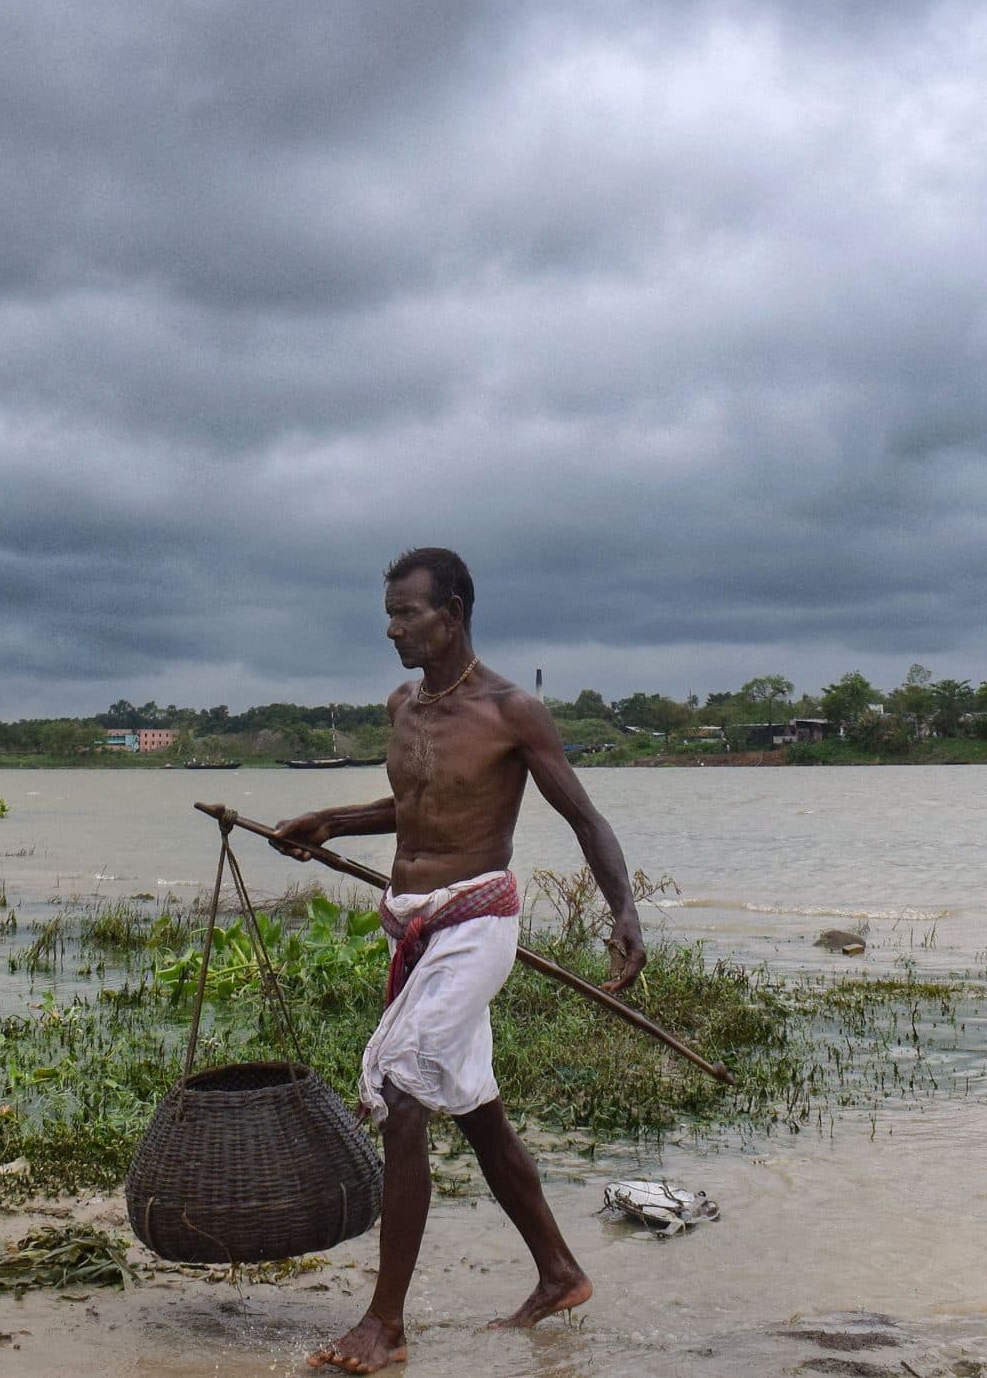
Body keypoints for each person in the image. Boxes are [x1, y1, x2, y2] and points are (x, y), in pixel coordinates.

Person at [272, 547, 648, 1373]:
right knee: (474, 1107)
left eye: (408, 613)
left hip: (477, 921)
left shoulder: (513, 711)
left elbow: (586, 818)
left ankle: (385, 1324)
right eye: (390, 613)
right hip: (413, 926)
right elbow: (412, 809)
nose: (393, 628)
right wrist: (328, 820)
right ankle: (558, 1271)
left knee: (404, 1086)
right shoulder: (402, 705)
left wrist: (624, 912)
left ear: (454, 611)